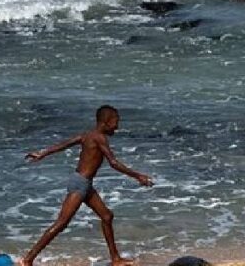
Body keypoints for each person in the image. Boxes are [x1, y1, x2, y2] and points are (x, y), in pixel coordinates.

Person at [20, 105, 154, 266]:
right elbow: (113, 163)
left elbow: (65, 144)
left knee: (107, 216)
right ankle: (28, 259)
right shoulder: (100, 138)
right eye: (115, 122)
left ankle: (115, 259)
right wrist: (137, 175)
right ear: (106, 121)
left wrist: (43, 153)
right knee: (61, 223)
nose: (117, 127)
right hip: (80, 184)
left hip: (84, 183)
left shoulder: (87, 135)